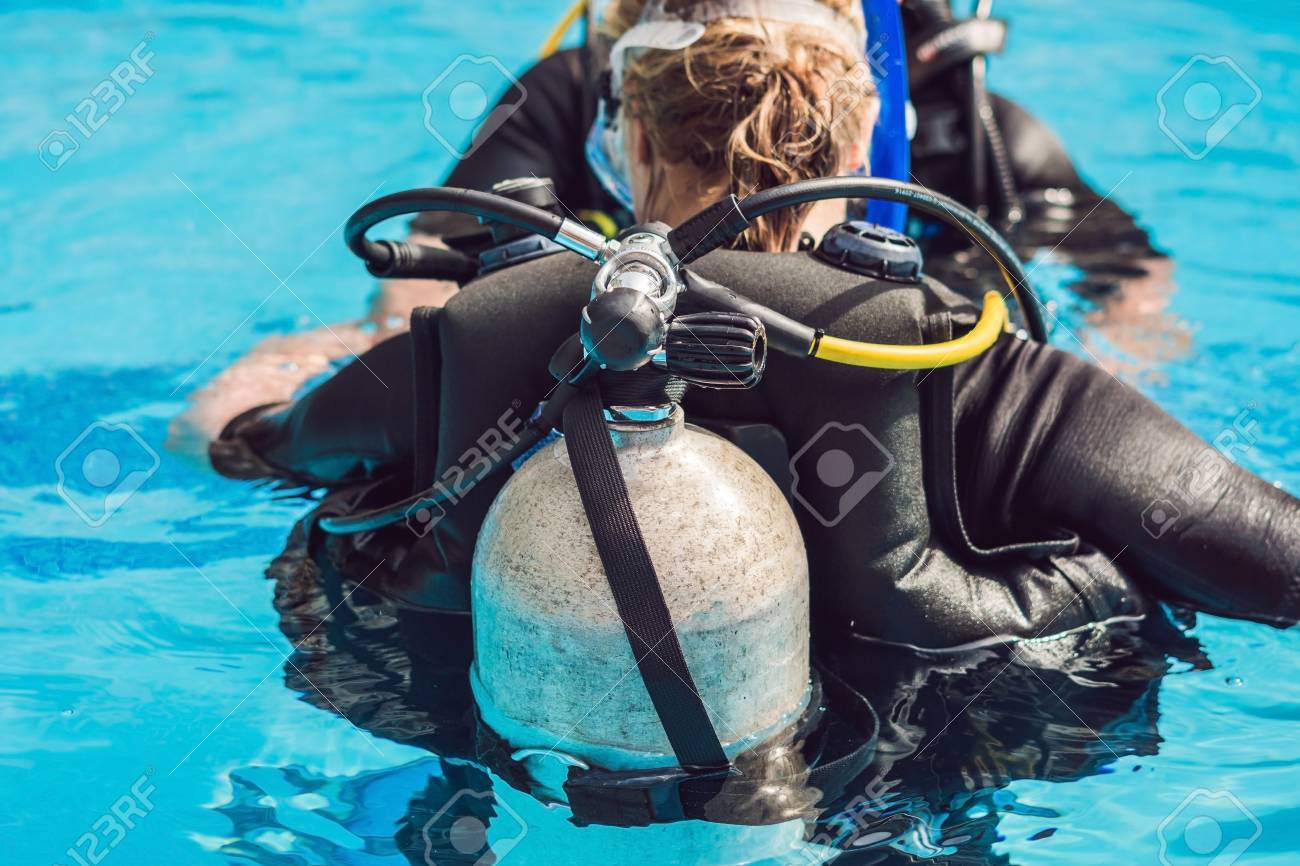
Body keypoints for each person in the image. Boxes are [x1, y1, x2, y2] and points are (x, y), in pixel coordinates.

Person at [196, 0, 1297, 852]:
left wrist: (278, 367)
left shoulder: (467, 352)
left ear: (622, 140)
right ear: (869, 128)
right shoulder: (999, 390)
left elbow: (229, 443)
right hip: (905, 798)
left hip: (527, 797)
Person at [169, 0, 1179, 457]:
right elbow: (425, 277)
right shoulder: (571, 99)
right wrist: (387, 347)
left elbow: (1131, 282)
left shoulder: (974, 138)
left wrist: (1087, 390)